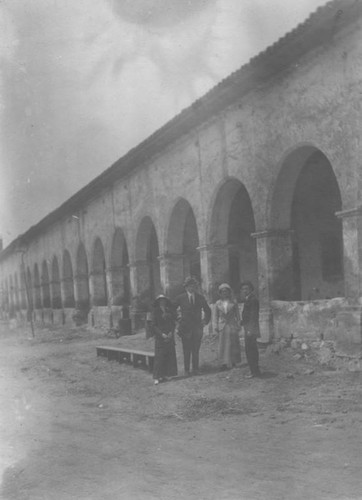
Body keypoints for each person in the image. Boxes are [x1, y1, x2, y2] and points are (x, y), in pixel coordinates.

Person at [174, 276, 211, 376]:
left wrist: (205, 321)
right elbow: (172, 309)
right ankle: (186, 370)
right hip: (185, 328)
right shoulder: (180, 298)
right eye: (189, 286)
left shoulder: (200, 297)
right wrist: (178, 320)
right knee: (186, 349)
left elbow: (208, 310)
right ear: (185, 287)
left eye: (194, 286)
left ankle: (195, 369)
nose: (192, 288)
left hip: (197, 327)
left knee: (196, 349)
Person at [151, 294, 178, 385]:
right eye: (161, 300)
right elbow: (154, 325)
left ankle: (167, 374)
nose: (162, 302)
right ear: (158, 302)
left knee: (169, 355)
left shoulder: (169, 310)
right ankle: (157, 377)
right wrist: (161, 334)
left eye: (164, 300)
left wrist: (171, 332)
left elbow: (173, 323)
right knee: (159, 357)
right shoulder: (155, 311)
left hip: (169, 335)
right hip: (160, 336)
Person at [215, 283, 241, 370]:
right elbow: (215, 316)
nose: (224, 293)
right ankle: (223, 363)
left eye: (226, 291)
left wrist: (239, 324)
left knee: (233, 344)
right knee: (223, 345)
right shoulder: (218, 303)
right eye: (222, 292)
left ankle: (234, 362)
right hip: (222, 325)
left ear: (229, 292)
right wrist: (216, 326)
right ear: (220, 293)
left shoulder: (233, 302)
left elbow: (237, 314)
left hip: (232, 324)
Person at [240, 281, 261, 378]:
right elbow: (247, 315)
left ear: (251, 289)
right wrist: (242, 322)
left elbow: (253, 316)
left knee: (251, 350)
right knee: (249, 350)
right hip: (248, 327)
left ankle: (254, 372)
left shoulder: (253, 300)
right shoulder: (248, 299)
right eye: (243, 289)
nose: (245, 291)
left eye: (247, 289)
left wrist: (250, 330)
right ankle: (253, 371)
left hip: (251, 329)